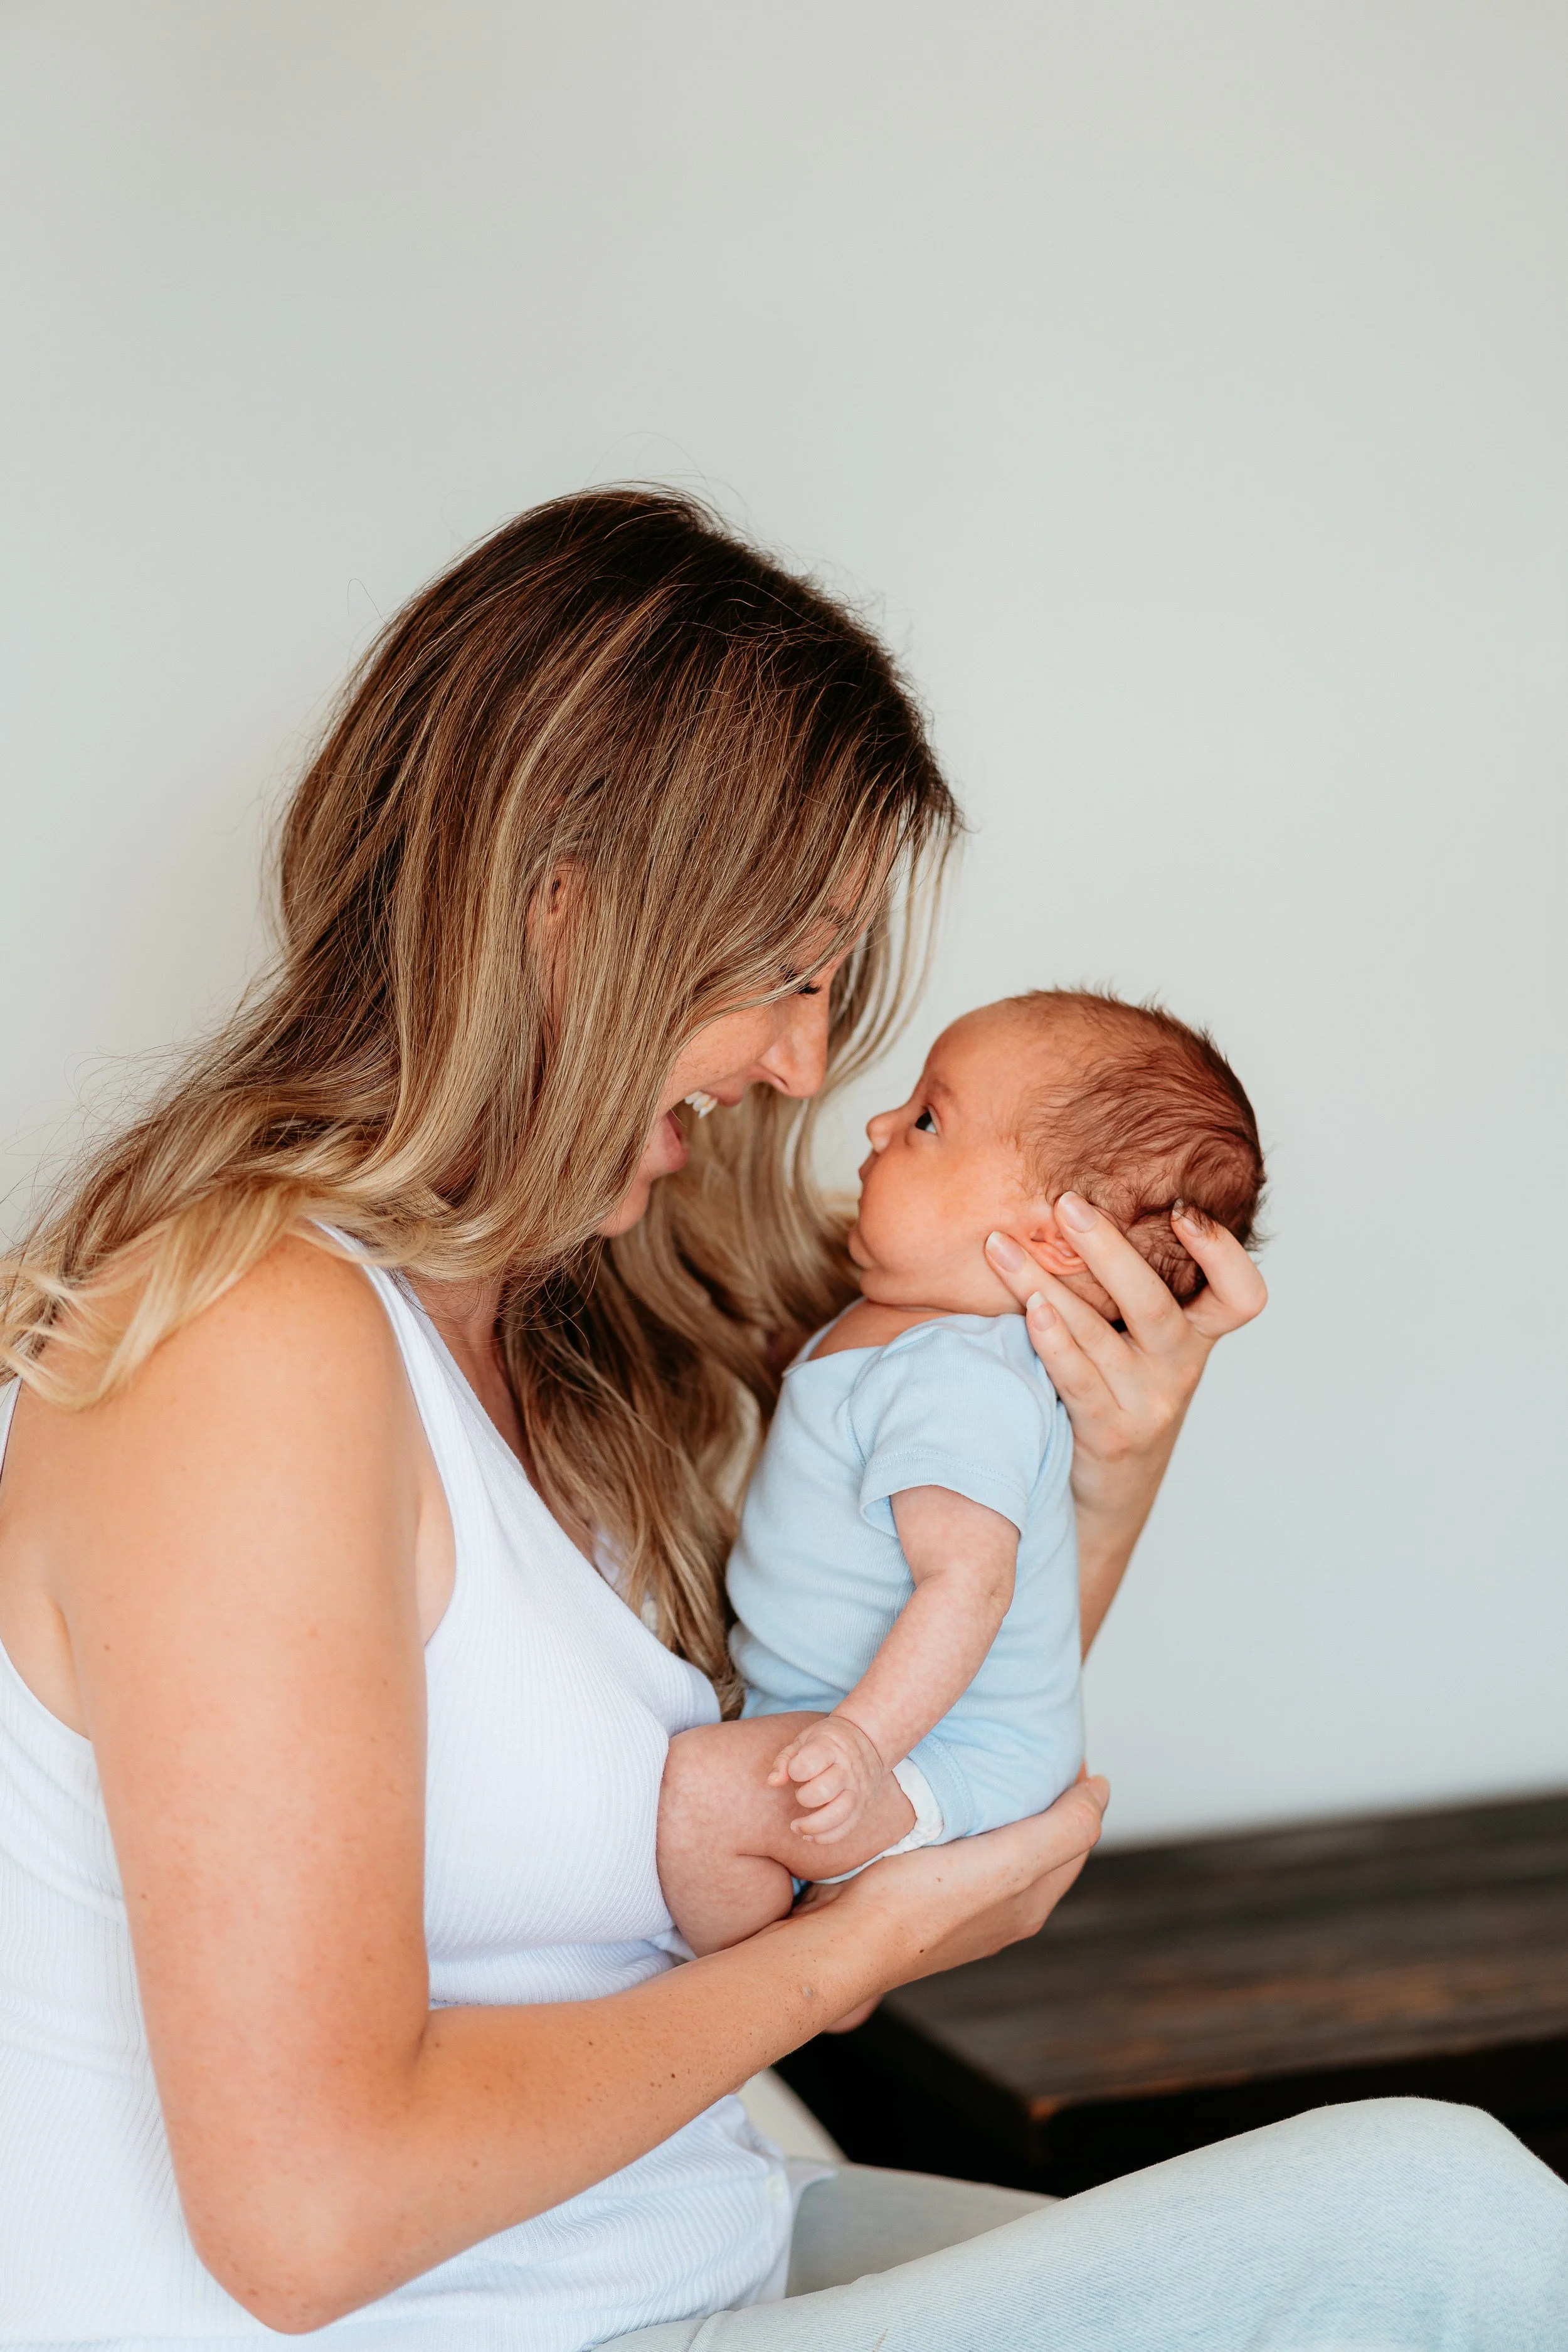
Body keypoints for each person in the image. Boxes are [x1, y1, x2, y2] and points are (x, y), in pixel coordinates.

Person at [0, 491, 1561, 2352]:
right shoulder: (244, 1347)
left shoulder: (562, 1335)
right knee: (1443, 2226)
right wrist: (849, 1958)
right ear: (561, 902)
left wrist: (1106, 1469)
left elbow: (873, 1811)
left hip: (682, 2246)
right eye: (787, 968)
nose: (807, 1063)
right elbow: (310, 2216)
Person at [656, 988, 1265, 1956]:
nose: (878, 1124)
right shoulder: (914, 1339)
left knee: (702, 1800)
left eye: (928, 1119)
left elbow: (969, 1582)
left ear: (1053, 1237)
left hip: (940, 1753)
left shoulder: (958, 1377)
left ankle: (757, 1983)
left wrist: (865, 1741)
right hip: (881, 1731)